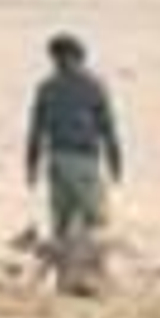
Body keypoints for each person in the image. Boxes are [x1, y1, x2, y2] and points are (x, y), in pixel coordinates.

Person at [25, 33, 123, 293]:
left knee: (63, 220)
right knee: (93, 220)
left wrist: (32, 165)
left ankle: (67, 279)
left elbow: (36, 130)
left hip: (59, 159)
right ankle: (90, 276)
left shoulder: (47, 87)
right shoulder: (93, 86)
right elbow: (107, 127)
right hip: (82, 159)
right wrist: (115, 161)